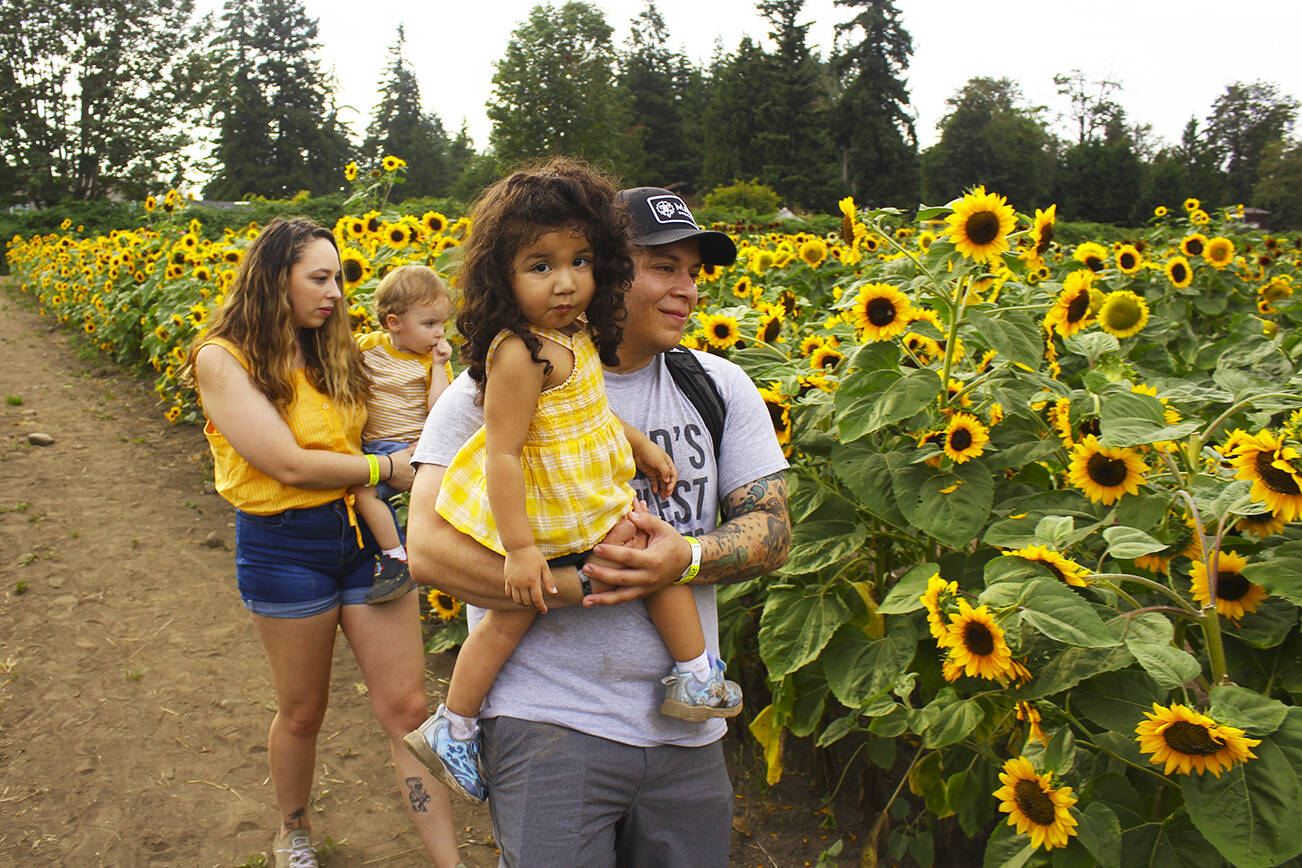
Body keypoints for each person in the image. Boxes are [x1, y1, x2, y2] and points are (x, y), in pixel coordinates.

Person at [405, 186, 792, 865]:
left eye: (694, 272)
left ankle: (697, 672)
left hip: (687, 739)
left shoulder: (720, 386)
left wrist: (685, 558)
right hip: (549, 725)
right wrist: (581, 582)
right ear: (620, 268)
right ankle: (456, 726)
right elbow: (428, 554)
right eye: (664, 267)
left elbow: (774, 531)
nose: (688, 290)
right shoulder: (492, 383)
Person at [188, 217, 462, 868]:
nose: (336, 291)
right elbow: (286, 463)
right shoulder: (222, 358)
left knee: (408, 708)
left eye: (337, 277)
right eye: (319, 278)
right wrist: (385, 470)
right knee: (304, 712)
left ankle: (451, 864)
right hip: (286, 547)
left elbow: (400, 396)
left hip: (367, 540)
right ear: (273, 278)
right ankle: (294, 830)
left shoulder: (335, 351)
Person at [352, 264, 454, 604]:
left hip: (415, 447)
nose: (440, 333)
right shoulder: (368, 347)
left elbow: (440, 407)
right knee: (363, 495)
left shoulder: (431, 360)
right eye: (429, 324)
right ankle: (396, 556)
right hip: (374, 448)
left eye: (442, 323)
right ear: (394, 323)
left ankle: (420, 555)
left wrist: (439, 367)